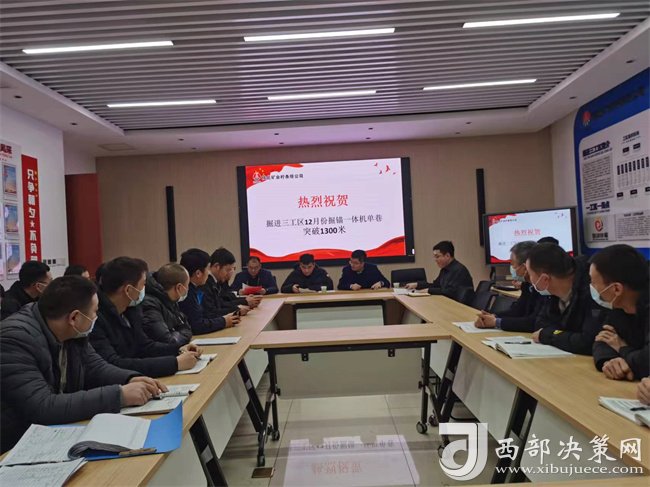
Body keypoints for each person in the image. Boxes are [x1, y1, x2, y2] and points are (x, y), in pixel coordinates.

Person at [0, 276, 167, 453]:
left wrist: (130, 378)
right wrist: (119, 395)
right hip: (15, 446)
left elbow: (95, 366)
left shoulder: (72, 332)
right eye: (94, 312)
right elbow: (42, 406)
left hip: (54, 434)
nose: (96, 317)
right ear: (74, 317)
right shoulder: (14, 339)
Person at [90, 257, 201, 378]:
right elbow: (114, 363)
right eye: (143, 284)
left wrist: (178, 350)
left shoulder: (131, 310)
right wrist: (174, 363)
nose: (145, 289)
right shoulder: (95, 319)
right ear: (128, 290)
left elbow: (145, 346)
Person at [526, 243, 604, 355]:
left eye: (530, 274)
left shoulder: (593, 289)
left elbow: (587, 341)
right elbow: (540, 325)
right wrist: (559, 336)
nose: (529, 279)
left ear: (545, 279)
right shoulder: (551, 292)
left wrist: (549, 335)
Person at [590, 244, 648, 381]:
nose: (591, 287)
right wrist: (610, 361)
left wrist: (622, 349)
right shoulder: (618, 307)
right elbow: (602, 340)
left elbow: (646, 361)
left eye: (593, 282)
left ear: (616, 289)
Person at [476, 241, 548, 331]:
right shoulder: (527, 285)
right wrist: (494, 316)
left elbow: (533, 322)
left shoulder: (544, 288)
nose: (511, 268)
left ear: (524, 268)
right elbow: (518, 310)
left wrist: (496, 322)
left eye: (512, 264)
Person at [178, 248, 240, 334]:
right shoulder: (186, 293)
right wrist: (224, 321)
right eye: (207, 269)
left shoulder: (194, 289)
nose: (209, 272)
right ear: (198, 273)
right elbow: (197, 325)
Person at [142, 263, 193, 347]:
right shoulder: (150, 305)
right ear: (179, 288)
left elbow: (185, 327)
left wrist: (177, 333)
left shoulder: (171, 300)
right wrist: (182, 333)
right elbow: (169, 341)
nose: (188, 289)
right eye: (187, 285)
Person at [405, 241, 474, 302]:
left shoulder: (459, 270)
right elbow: (436, 285)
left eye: (437, 256)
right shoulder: (444, 269)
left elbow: (450, 292)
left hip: (460, 306)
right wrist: (417, 285)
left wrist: (428, 290)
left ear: (447, 256)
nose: (435, 260)